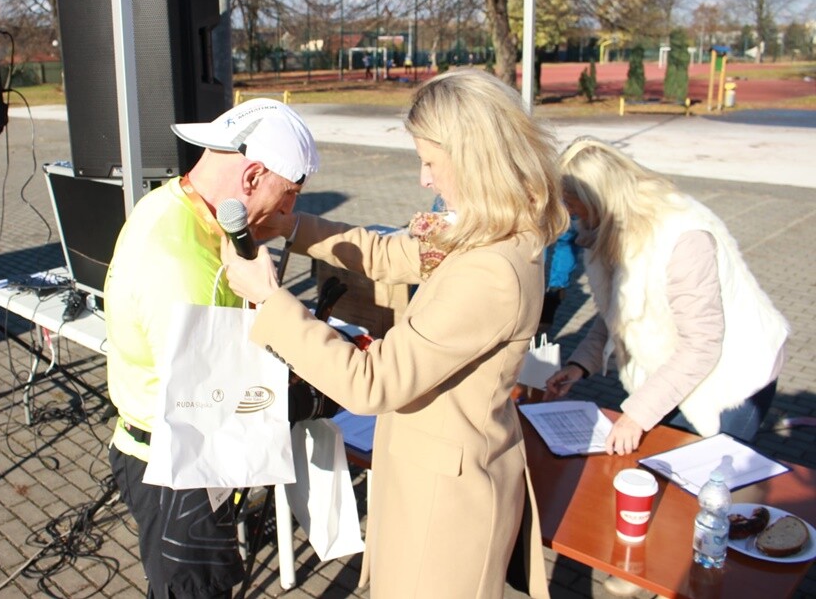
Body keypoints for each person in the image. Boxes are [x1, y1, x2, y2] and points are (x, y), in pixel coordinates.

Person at [221, 68, 568, 599]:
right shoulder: (488, 226)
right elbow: (390, 253)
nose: (424, 179)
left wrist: (272, 300)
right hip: (432, 479)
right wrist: (291, 226)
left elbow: (372, 382)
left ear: (473, 156)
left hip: (446, 510)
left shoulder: (491, 266)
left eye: (431, 161)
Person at [103, 98, 320, 599]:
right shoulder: (181, 263)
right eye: (286, 195)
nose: (288, 212)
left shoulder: (175, 204)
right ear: (252, 177)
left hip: (180, 454)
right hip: (179, 468)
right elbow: (218, 402)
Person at [544, 137, 789, 455]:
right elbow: (619, 310)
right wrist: (580, 364)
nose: (571, 216)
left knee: (709, 477)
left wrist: (636, 415)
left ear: (599, 201)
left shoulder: (682, 238)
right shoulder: (609, 231)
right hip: (680, 370)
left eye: (574, 207)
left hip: (734, 378)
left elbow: (702, 346)